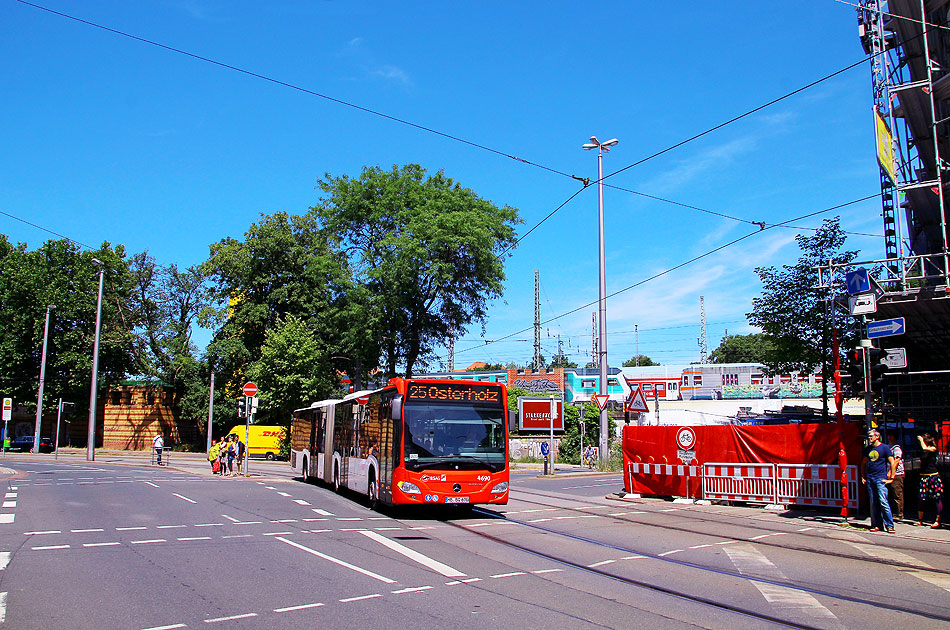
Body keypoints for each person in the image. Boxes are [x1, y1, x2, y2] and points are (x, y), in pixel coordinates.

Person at [860, 428, 896, 533]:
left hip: (881, 478)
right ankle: (878, 525)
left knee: (883, 501)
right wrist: (863, 476)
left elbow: (892, 462)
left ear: (877, 436)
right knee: (874, 502)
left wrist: (892, 477)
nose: (870, 438)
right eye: (869, 436)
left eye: (871, 436)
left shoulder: (884, 448)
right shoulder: (868, 449)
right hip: (870, 478)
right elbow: (864, 463)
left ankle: (889, 525)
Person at [915, 432, 944, 529]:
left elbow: (925, 448)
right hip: (924, 475)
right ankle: (920, 519)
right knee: (921, 498)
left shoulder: (932, 448)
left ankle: (938, 520)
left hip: (933, 476)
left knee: (937, 498)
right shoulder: (922, 450)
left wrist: (922, 440)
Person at [886, 431, 905, 522]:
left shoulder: (896, 448)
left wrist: (891, 471)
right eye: (889, 435)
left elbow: (896, 461)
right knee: (890, 494)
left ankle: (899, 513)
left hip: (897, 474)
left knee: (897, 493)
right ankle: (894, 512)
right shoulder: (888, 447)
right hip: (889, 473)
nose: (889, 437)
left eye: (891, 435)